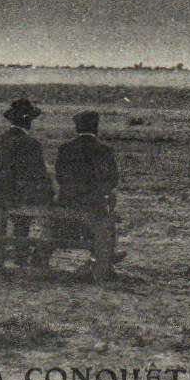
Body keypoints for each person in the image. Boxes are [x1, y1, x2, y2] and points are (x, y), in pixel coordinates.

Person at [0, 97, 54, 266]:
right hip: (20, 197)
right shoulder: (31, 144)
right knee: (38, 210)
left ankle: (7, 254)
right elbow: (39, 175)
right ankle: (23, 255)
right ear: (29, 121)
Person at [55, 110, 124, 269]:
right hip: (94, 204)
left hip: (68, 202)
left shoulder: (65, 148)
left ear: (77, 128)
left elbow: (60, 177)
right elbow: (112, 180)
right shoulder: (104, 150)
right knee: (108, 212)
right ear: (96, 128)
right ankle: (102, 256)